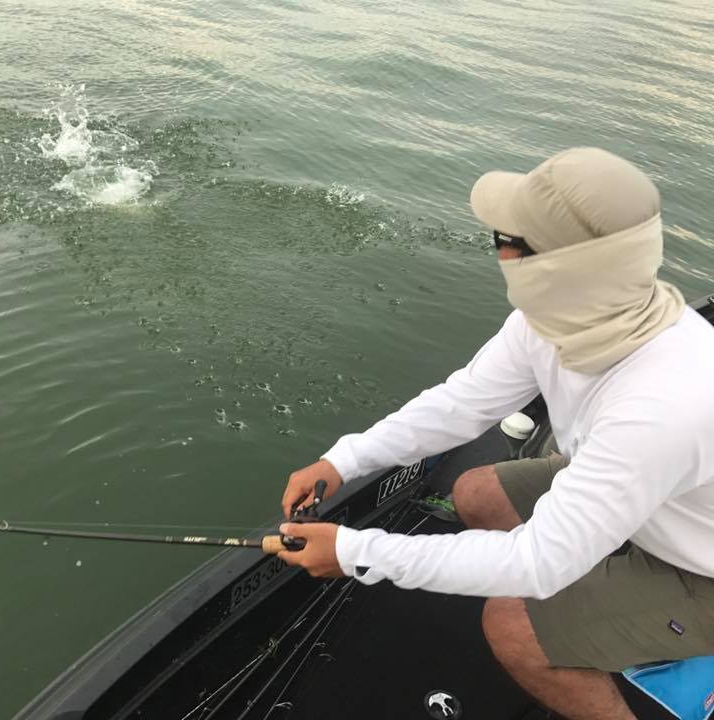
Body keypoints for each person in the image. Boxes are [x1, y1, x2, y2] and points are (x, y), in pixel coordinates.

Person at [277, 147, 714, 720]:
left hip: (701, 569)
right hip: (652, 509)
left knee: (512, 625)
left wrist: (356, 552)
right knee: (476, 493)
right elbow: (461, 402)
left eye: (505, 239)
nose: (499, 251)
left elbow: (537, 562)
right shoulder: (554, 319)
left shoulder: (665, 403)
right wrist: (345, 460)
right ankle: (599, 601)